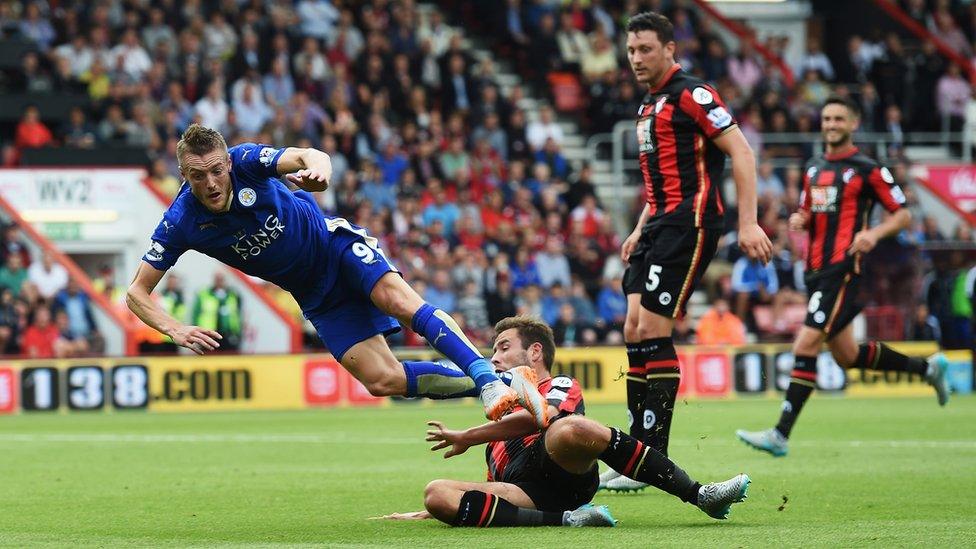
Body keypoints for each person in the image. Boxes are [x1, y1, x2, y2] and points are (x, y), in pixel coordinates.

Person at [126, 124, 547, 426]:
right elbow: (136, 293)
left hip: (334, 246)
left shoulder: (246, 161)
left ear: (227, 163)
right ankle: (505, 382)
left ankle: (485, 378)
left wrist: (319, 170)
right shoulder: (181, 220)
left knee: (401, 302)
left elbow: (309, 155)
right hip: (314, 294)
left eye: (217, 169)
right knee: (383, 380)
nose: (212, 182)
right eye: (198, 176)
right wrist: (173, 328)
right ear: (184, 176)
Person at [604, 12, 773, 492]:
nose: (636, 58)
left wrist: (748, 222)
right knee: (633, 326)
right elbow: (659, 183)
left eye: (646, 49)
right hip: (658, 224)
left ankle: (651, 454)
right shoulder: (648, 105)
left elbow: (741, 151)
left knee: (655, 328)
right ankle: (634, 452)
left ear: (670, 49)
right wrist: (639, 228)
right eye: (632, 50)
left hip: (690, 224)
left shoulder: (692, 94)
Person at [382, 316, 751, 527]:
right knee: (436, 493)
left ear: (535, 351)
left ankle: (700, 495)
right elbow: (489, 485)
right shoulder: (497, 400)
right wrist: (440, 508)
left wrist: (470, 435)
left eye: (504, 347)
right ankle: (567, 519)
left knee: (567, 428)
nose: (493, 358)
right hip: (523, 493)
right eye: (493, 350)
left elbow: (542, 419)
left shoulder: (557, 384)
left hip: (561, 468)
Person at [736, 97, 951, 457]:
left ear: (853, 123)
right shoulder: (815, 167)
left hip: (845, 270)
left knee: (805, 345)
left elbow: (902, 215)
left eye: (838, 119)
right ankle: (927, 369)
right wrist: (801, 219)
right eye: (826, 118)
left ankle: (780, 433)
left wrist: (872, 234)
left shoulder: (868, 169)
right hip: (817, 272)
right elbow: (808, 208)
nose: (831, 124)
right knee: (848, 356)